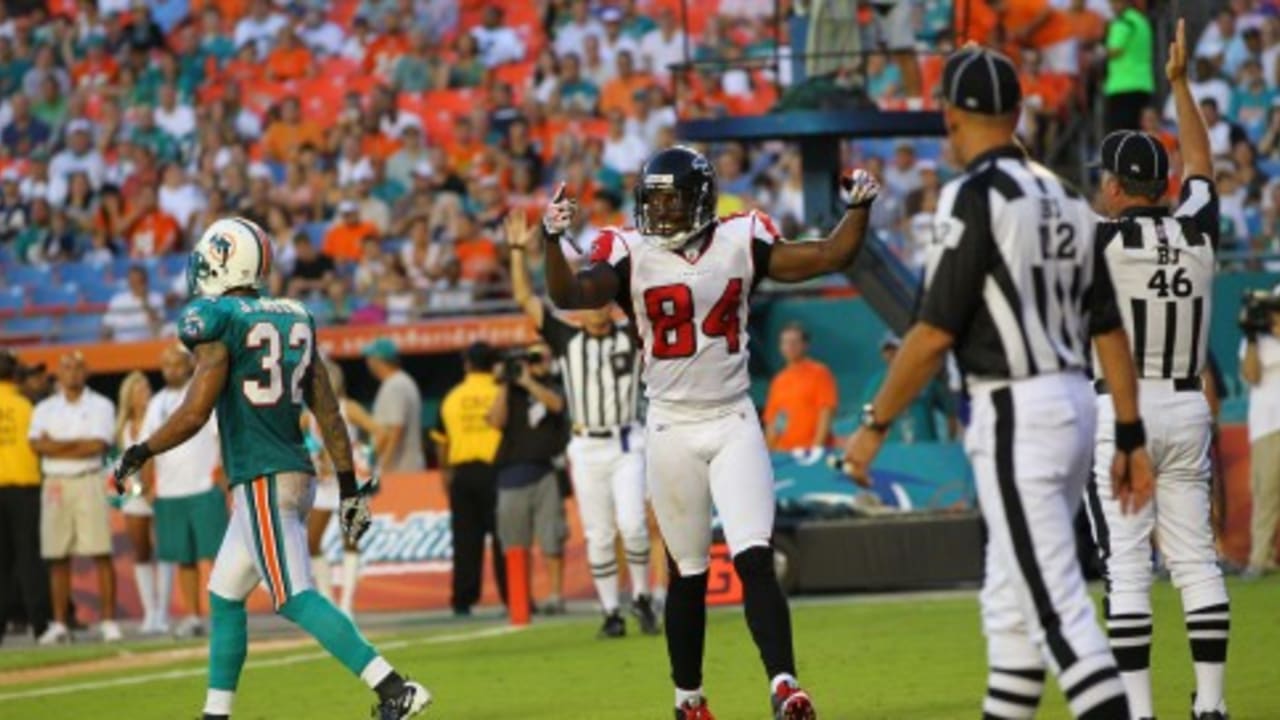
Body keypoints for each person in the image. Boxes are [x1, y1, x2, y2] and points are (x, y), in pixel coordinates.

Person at [843, 46, 1153, 720]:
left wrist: (872, 427)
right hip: (1076, 401)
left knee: (1058, 616)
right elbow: (1107, 325)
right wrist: (1129, 431)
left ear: (949, 116)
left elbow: (931, 333)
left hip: (1017, 411)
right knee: (1010, 621)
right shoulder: (1067, 196)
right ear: (1016, 112)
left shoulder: (973, 196)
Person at [540, 144, 882, 719]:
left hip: (732, 419)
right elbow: (571, 293)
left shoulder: (741, 236)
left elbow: (829, 255)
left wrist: (860, 209)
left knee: (755, 557)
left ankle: (784, 685)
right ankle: (688, 700)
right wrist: (551, 243)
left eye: (674, 202)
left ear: (700, 199)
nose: (664, 214)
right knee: (689, 575)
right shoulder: (627, 249)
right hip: (671, 425)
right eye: (655, 202)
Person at [112, 217, 429, 720]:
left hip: (262, 475)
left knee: (293, 595)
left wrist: (141, 450)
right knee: (225, 594)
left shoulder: (220, 320)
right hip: (292, 473)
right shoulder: (296, 316)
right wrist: (349, 489)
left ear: (222, 260)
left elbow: (195, 413)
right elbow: (328, 408)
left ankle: (394, 688)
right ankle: (216, 714)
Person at [506, 210, 658, 638]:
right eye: (587, 302)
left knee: (632, 524)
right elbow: (524, 298)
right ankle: (611, 610)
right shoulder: (565, 336)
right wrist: (518, 251)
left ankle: (644, 597)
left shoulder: (630, 332)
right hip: (586, 444)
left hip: (628, 439)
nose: (594, 308)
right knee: (598, 533)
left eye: (600, 300)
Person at [29, 352, 120, 645]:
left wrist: (56, 446)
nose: (72, 373)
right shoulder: (44, 408)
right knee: (57, 556)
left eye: (78, 367)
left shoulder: (101, 404)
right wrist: (75, 446)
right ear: (59, 373)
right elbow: (37, 445)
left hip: (88, 478)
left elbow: (98, 445)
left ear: (86, 371)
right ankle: (59, 623)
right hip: (56, 483)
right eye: (67, 367)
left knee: (101, 551)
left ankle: (107, 621)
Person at [142, 344, 227, 639]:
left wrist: (223, 478)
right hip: (170, 490)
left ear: (189, 363)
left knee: (217, 557)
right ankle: (193, 616)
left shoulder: (203, 391)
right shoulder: (156, 403)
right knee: (185, 558)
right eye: (165, 364)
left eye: (176, 363)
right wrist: (147, 486)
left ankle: (223, 614)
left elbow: (222, 436)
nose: (171, 370)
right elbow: (147, 445)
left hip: (204, 486)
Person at [487, 341, 570, 615]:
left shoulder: (554, 383)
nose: (535, 363)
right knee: (514, 541)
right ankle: (521, 599)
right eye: (530, 358)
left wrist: (529, 382)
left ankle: (556, 595)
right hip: (512, 472)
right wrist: (505, 384)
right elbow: (495, 422)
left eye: (539, 358)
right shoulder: (509, 390)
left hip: (547, 470)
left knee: (552, 537)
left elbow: (557, 405)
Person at [430, 342, 507, 616]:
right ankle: (512, 597)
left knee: (465, 541)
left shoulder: (452, 397)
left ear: (467, 365)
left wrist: (446, 473)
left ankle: (462, 600)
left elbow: (441, 441)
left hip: (462, 475)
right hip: (497, 472)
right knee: (503, 539)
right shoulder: (501, 392)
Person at [304, 358, 380, 616]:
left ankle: (347, 604)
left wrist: (366, 458)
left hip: (352, 482)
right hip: (324, 484)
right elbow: (295, 439)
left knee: (352, 539)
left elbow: (380, 432)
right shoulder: (309, 415)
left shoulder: (349, 408)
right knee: (311, 540)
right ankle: (327, 599)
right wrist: (313, 456)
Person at [0, 349, 50, 645]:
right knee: (29, 558)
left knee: (0, 562)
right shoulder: (26, 405)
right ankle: (39, 625)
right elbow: (40, 444)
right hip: (25, 489)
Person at [115, 370, 170, 635]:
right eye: (139, 389)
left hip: (161, 489)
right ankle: (150, 612)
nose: (145, 393)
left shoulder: (160, 416)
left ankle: (163, 613)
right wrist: (128, 484)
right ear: (130, 397)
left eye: (147, 388)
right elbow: (119, 461)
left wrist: (153, 485)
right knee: (141, 551)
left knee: (166, 549)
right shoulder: (124, 427)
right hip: (135, 494)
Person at [1240, 285, 1280, 578]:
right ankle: (1260, 559)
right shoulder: (1256, 341)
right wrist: (1253, 337)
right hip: (1267, 424)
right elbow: (1252, 375)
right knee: (1265, 493)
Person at [858, 333, 954, 444]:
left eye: (896, 349)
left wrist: (950, 442)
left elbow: (951, 411)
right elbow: (865, 415)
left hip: (927, 450)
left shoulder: (926, 378)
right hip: (892, 450)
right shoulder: (876, 383)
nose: (891, 354)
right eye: (887, 350)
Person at [763, 323, 838, 452]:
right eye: (785, 342)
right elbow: (778, 419)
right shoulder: (779, 380)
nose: (790, 347)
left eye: (794, 342)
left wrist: (815, 450)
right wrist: (768, 451)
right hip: (784, 454)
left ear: (805, 345)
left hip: (811, 453)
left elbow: (826, 412)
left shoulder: (819, 373)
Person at [364, 338, 425, 473]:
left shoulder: (395, 385)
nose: (367, 362)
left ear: (378, 360)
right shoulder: (402, 381)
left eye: (370, 358)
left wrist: (383, 468)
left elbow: (396, 430)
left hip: (399, 471)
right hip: (405, 469)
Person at [1103, 0, 1155, 133]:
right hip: (1143, 83)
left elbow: (1115, 50)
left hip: (1123, 86)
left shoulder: (1123, 22)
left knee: (1121, 136)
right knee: (1137, 134)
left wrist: (1097, 52)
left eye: (1114, 2)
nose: (1112, 6)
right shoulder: (1142, 21)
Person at [103, 265, 164, 341]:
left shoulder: (156, 298)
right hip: (121, 344)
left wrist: (144, 301)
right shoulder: (118, 300)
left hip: (146, 344)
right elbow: (107, 326)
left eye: (139, 281)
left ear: (146, 281)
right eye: (133, 281)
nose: (136, 284)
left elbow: (158, 328)